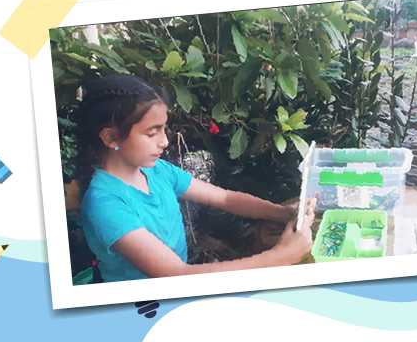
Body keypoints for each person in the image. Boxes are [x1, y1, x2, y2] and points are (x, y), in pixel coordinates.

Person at [78, 73, 316, 283]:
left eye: (163, 129)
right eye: (152, 133)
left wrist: (280, 213)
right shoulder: (105, 205)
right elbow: (176, 275)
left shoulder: (158, 170)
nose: (164, 141)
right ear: (110, 138)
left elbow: (224, 198)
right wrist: (281, 257)